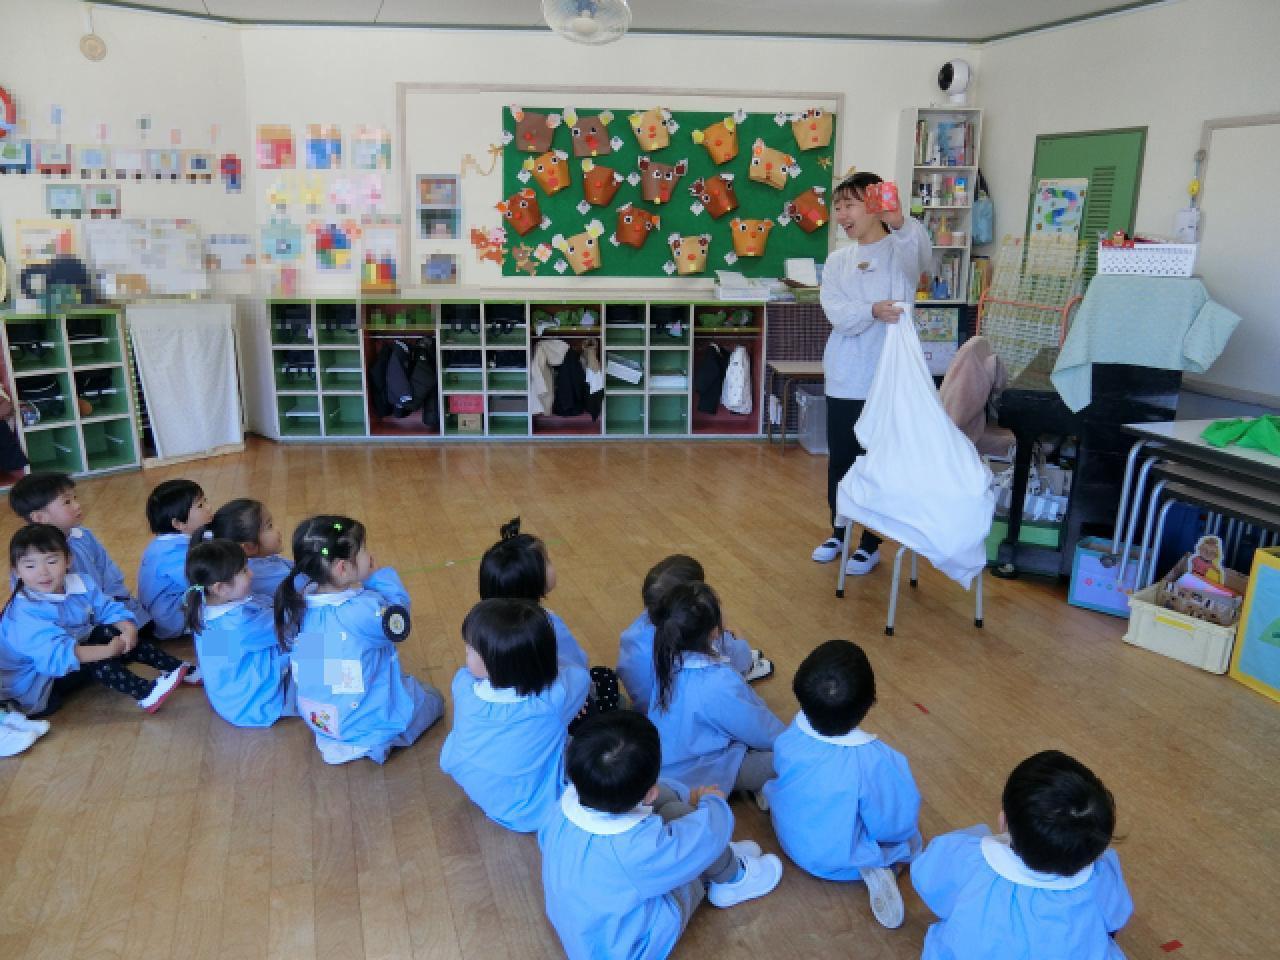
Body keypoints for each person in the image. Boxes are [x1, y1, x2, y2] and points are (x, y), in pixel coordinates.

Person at [538, 711, 782, 960]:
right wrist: (713, 801)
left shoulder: (559, 809)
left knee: (675, 810)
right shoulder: (637, 849)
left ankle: (721, 862)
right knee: (685, 822)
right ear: (649, 793)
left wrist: (685, 797)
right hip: (627, 949)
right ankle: (733, 879)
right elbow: (707, 836)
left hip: (588, 929)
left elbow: (660, 795)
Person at [813, 172, 932, 576]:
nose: (842, 215)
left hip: (887, 378)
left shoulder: (900, 250)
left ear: (873, 206)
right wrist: (871, 310)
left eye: (849, 205)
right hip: (846, 375)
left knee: (877, 462)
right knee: (842, 460)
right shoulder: (837, 261)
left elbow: (919, 257)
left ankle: (870, 543)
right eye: (837, 207)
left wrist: (899, 220)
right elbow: (837, 314)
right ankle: (838, 531)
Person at [912, 749, 1134, 959]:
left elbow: (929, 883)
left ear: (1003, 821)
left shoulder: (967, 858)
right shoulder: (1101, 876)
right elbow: (1115, 918)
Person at [763, 639, 921, 928]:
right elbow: (894, 824)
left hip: (788, 836)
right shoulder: (876, 761)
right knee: (908, 840)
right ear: (871, 701)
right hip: (837, 860)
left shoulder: (791, 733)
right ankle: (881, 868)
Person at [276, 515, 443, 765]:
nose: (370, 554)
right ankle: (379, 742)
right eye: (363, 549)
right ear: (342, 568)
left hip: (320, 719)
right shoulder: (363, 610)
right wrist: (378, 577)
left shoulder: (298, 604)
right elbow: (399, 620)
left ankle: (354, 732)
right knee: (433, 699)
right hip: (362, 723)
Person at [0, 524, 188, 717]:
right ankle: (146, 693)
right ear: (16, 571)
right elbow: (59, 657)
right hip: (37, 686)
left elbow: (106, 608)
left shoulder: (79, 582)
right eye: (30, 566)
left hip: (65, 656)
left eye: (51, 561)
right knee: (96, 654)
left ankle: (175, 667)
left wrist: (128, 628)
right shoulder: (23, 614)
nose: (43, 572)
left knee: (108, 633)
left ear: (68, 560)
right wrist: (108, 651)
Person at [440, 597, 590, 832]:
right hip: (534, 809)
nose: (465, 652)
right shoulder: (554, 698)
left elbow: (467, 674)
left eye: (470, 649)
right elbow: (581, 676)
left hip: (475, 786)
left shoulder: (463, 685)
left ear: (494, 664)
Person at [648, 581, 784, 802]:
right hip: (701, 774)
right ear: (713, 631)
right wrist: (791, 742)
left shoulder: (665, 656)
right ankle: (764, 789)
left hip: (669, 766)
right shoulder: (719, 682)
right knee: (788, 758)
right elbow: (761, 730)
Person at [480, 517, 620, 715]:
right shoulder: (547, 624)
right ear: (532, 581)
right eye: (547, 560)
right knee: (605, 677)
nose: (551, 563)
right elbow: (577, 663)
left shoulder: (482, 627)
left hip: (511, 707)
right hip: (557, 704)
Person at [617, 553, 771, 711]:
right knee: (729, 647)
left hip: (647, 709)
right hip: (685, 706)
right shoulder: (694, 631)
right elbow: (740, 659)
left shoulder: (633, 631)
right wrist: (739, 640)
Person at [9, 472, 152, 635]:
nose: (77, 505)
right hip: (67, 622)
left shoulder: (83, 535)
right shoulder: (28, 555)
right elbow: (34, 604)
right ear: (40, 517)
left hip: (102, 605)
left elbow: (107, 570)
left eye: (75, 498)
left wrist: (117, 601)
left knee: (144, 627)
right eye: (67, 502)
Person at [184, 538, 293, 728]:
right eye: (244, 570)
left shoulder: (204, 604)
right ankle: (332, 698)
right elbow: (287, 625)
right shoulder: (240, 623)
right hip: (255, 704)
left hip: (230, 697)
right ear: (220, 588)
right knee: (318, 643)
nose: (251, 573)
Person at [138, 478, 214, 639]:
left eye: (206, 500)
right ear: (178, 523)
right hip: (171, 618)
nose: (209, 507)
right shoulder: (170, 552)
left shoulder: (169, 542)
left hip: (172, 609)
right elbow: (202, 579)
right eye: (201, 505)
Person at [194, 498, 290, 604]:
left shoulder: (262, 557)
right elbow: (302, 583)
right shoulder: (262, 574)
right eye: (270, 526)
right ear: (249, 547)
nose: (277, 529)